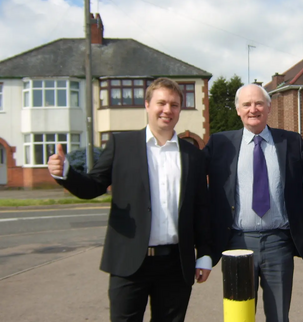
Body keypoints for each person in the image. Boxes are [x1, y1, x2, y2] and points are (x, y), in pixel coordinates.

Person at [47, 77, 212, 322]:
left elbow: (201, 208)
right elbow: (93, 187)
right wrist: (65, 173)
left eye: (174, 105)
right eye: (161, 103)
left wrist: (205, 254)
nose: (167, 110)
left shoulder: (192, 155)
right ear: (147, 105)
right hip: (129, 263)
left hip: (176, 265)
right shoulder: (121, 145)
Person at [204, 84, 303, 322]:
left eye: (258, 103)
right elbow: (190, 174)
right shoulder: (220, 144)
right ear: (238, 109)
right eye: (246, 104)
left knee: (278, 316)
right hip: (237, 243)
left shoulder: (290, 142)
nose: (253, 109)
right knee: (240, 317)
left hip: (278, 243)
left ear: (268, 107)